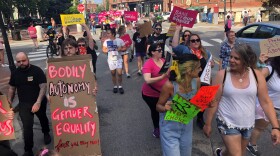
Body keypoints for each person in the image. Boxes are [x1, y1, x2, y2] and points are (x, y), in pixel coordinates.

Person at [203, 44, 280, 156]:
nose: (231, 60)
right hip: (227, 122)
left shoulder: (257, 75)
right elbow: (214, 101)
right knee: (237, 154)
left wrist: (275, 127)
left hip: (248, 123)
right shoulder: (222, 75)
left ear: (245, 60)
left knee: (236, 152)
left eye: (236, 58)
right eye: (231, 57)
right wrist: (208, 123)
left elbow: (266, 102)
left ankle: (220, 154)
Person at [156, 54, 201, 156]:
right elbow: (158, 106)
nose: (201, 69)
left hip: (187, 125)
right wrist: (165, 108)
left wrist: (208, 103)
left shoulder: (197, 81)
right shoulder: (170, 86)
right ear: (189, 71)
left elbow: (196, 102)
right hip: (170, 127)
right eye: (198, 67)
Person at [8, 52, 51, 156]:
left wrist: (38, 102)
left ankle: (46, 132)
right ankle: (28, 149)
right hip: (24, 104)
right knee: (27, 127)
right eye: (19, 61)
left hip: (38, 101)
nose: (21, 63)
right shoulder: (15, 73)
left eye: (24, 60)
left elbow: (43, 87)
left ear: (28, 59)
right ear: (16, 62)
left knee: (43, 118)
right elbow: (12, 88)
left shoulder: (37, 71)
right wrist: (9, 100)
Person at [173, 34, 213, 129]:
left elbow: (210, 64)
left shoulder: (205, 52)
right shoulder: (185, 50)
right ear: (189, 43)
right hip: (189, 80)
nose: (196, 42)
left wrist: (212, 64)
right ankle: (183, 119)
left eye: (197, 40)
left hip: (203, 80)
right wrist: (178, 29)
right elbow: (174, 46)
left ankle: (199, 118)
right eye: (193, 40)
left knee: (201, 102)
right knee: (188, 100)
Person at [247, 55, 280, 156]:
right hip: (267, 106)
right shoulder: (270, 69)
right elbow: (254, 79)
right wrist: (260, 64)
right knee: (259, 128)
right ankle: (251, 145)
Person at [142, 43, 169, 138]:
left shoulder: (163, 60)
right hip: (150, 94)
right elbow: (147, 80)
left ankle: (164, 126)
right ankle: (156, 128)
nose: (161, 52)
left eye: (161, 50)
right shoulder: (148, 63)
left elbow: (168, 73)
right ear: (153, 52)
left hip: (163, 93)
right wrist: (162, 77)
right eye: (159, 50)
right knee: (155, 111)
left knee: (163, 109)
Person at [102, 28, 127, 94]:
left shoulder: (119, 40)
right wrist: (108, 50)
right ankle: (115, 86)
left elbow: (125, 47)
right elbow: (103, 50)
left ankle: (120, 86)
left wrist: (120, 49)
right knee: (113, 73)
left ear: (113, 34)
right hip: (111, 59)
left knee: (119, 73)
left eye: (109, 33)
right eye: (107, 33)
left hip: (118, 59)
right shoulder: (106, 41)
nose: (107, 34)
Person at [0, 91, 18, 156]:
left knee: (7, 149)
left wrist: (10, 113)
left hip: (3, 135)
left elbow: (8, 108)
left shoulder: (1, 97)